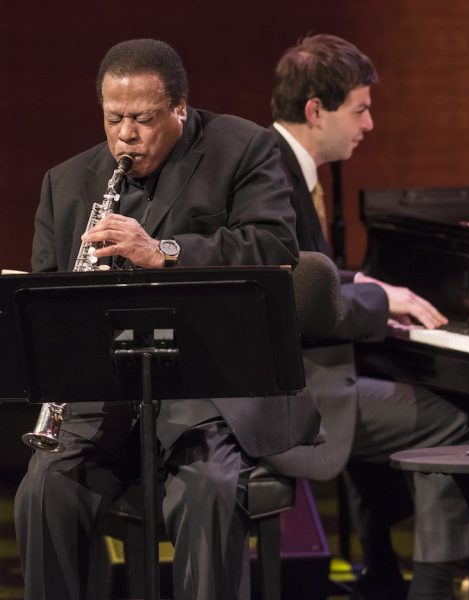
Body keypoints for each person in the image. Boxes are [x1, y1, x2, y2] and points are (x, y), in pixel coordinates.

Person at [14, 38, 321, 600]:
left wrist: (165, 251)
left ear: (180, 106)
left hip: (209, 394)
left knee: (207, 491)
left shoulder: (242, 147)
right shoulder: (67, 182)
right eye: (113, 119)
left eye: (143, 119)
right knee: (42, 493)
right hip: (104, 397)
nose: (125, 136)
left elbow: (276, 244)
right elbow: (46, 299)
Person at [264, 34, 469, 600]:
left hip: (300, 371)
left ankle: (381, 571)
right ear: (316, 110)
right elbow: (303, 303)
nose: (370, 124)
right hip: (289, 391)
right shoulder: (275, 180)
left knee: (391, 385)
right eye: (360, 109)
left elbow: (314, 276)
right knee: (454, 419)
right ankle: (435, 585)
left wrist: (366, 283)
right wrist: (384, 302)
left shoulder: (281, 165)